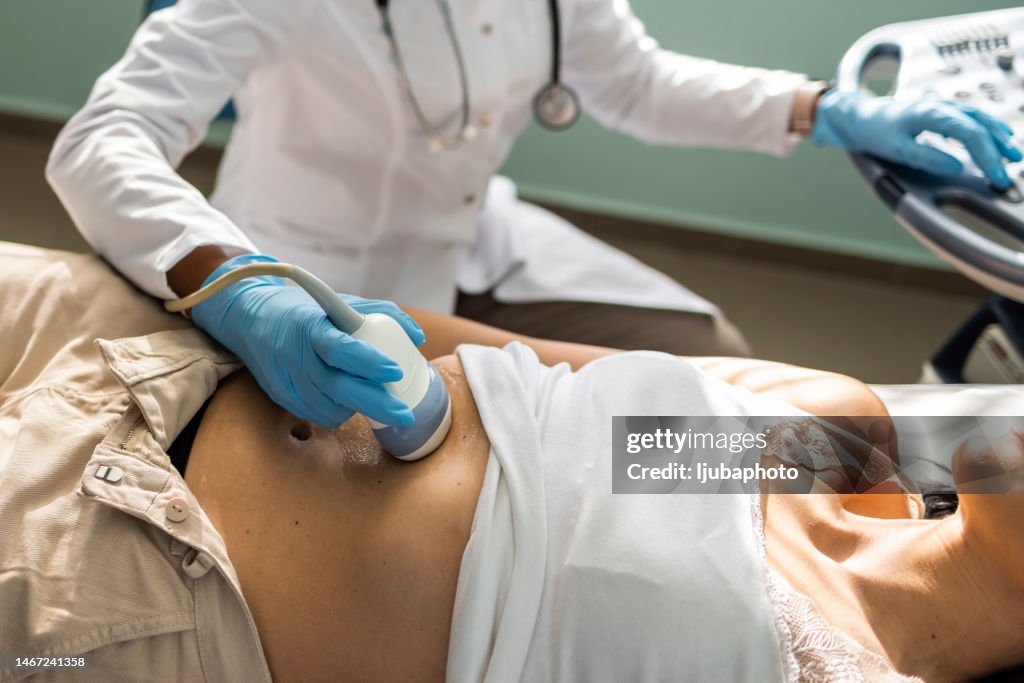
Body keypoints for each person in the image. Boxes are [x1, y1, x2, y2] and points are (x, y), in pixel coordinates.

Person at [3, 242, 1023, 682]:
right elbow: (510, 372)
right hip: (148, 360)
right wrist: (248, 292)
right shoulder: (837, 438)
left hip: (110, 580)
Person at [44, 0, 1022, 433]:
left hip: (478, 236)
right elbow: (100, 139)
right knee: (618, 436)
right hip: (311, 276)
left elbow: (636, 82)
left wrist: (822, 109)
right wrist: (235, 284)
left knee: (712, 359)